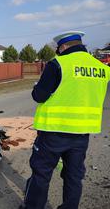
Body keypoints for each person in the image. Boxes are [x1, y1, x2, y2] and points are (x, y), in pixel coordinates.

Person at [21, 31, 110, 209]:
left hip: (53, 132)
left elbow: (39, 95)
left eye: (57, 48)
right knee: (73, 176)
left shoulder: (58, 64)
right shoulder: (102, 68)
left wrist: (37, 87)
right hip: (82, 134)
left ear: (63, 47)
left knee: (41, 174)